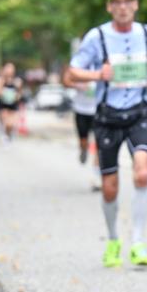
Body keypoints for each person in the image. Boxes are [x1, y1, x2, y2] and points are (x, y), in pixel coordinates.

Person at [65, 0, 147, 268]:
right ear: (109, 7)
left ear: (135, 5)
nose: (122, 7)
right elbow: (72, 72)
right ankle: (112, 240)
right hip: (107, 116)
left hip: (139, 113)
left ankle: (138, 242)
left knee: (142, 175)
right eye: (116, 2)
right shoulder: (97, 37)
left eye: (127, 1)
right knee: (110, 188)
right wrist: (100, 74)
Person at [64, 39, 102, 191]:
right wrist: (79, 84)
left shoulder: (102, 61)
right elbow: (66, 80)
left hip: (98, 109)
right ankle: (83, 149)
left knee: (99, 145)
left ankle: (97, 177)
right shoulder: (78, 64)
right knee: (84, 140)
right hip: (81, 109)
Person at [0, 62, 23, 144]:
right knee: (6, 122)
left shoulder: (17, 81)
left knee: (11, 124)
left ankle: (8, 135)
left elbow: (20, 93)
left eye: (11, 69)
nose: (10, 70)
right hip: (3, 105)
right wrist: (1, 92)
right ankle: (5, 134)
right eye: (8, 68)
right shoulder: (0, 81)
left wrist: (17, 96)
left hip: (13, 105)